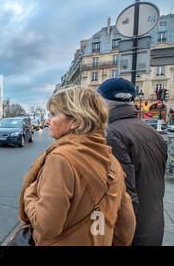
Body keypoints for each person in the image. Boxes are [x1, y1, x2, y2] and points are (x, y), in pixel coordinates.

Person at [17, 87, 135, 246]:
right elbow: (126, 224)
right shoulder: (111, 160)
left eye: (53, 114)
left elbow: (47, 226)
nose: (47, 120)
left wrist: (29, 193)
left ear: (76, 121)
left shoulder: (61, 159)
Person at [97, 78, 167, 246]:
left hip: (132, 232)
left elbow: (124, 193)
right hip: (153, 223)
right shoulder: (150, 130)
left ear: (102, 101)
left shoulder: (111, 135)